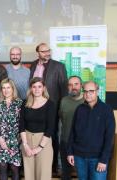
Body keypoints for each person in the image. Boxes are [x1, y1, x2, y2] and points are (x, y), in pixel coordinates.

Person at [29, 43, 68, 172]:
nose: (47, 53)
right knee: (36, 134)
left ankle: (54, 166)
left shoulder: (59, 66)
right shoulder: (33, 65)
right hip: (35, 107)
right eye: (43, 51)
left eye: (48, 51)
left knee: (52, 135)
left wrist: (62, 110)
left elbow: (64, 91)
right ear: (38, 53)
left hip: (53, 108)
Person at [67, 81, 115, 180]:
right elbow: (72, 132)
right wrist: (70, 152)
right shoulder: (79, 109)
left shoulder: (106, 110)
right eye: (85, 91)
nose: (87, 94)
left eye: (91, 91)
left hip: (98, 158)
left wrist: (104, 160)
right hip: (79, 157)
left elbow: (109, 137)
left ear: (97, 91)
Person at [19, 77, 56, 180]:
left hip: (44, 141)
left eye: (39, 86)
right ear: (31, 88)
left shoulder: (50, 104)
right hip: (27, 140)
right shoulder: (25, 103)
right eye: (34, 87)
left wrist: (39, 147)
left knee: (43, 175)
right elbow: (21, 125)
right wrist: (25, 145)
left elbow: (50, 128)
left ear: (44, 88)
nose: (37, 89)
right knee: (29, 174)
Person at [0, 78, 22, 180]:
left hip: (15, 140)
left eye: (8, 87)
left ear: (13, 89)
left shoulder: (19, 103)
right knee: (2, 167)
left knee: (14, 168)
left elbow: (22, 123)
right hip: (1, 140)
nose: (6, 90)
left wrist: (19, 140)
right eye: (3, 88)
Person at [58, 76, 84, 180]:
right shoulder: (64, 101)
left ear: (81, 86)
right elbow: (62, 119)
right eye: (70, 85)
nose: (73, 87)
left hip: (81, 144)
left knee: (82, 174)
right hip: (65, 141)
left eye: (76, 84)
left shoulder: (87, 101)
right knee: (66, 174)